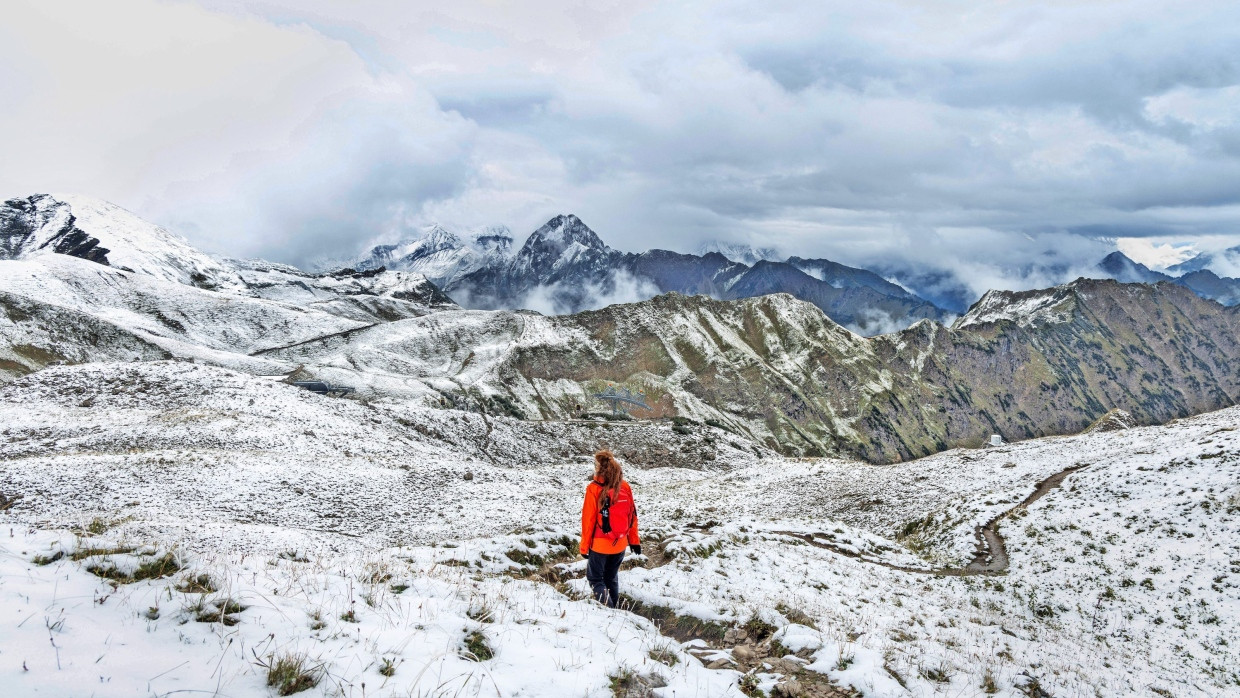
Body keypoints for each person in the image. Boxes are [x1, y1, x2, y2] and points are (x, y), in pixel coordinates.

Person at [579, 449, 641, 608]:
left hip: (600, 545)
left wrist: (584, 547)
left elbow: (589, 521)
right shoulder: (625, 486)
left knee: (595, 579)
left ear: (599, 468)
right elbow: (632, 515)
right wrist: (634, 541)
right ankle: (616, 610)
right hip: (620, 543)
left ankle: (610, 612)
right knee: (611, 577)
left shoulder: (593, 489)